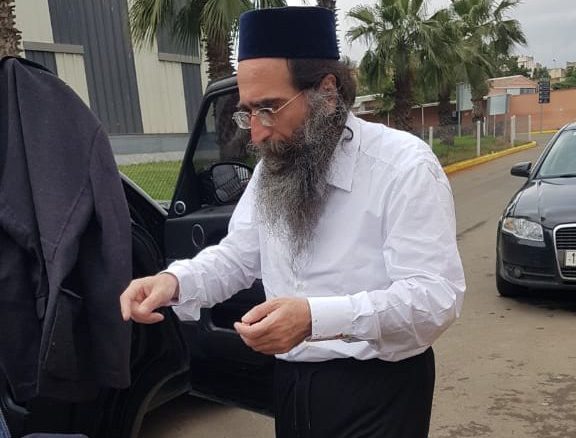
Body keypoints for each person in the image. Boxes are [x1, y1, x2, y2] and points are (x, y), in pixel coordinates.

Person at [120, 6, 465, 438]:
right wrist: (172, 282)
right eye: (248, 112)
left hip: (377, 391)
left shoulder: (403, 167)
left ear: (326, 91)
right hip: (290, 386)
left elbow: (433, 299)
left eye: (269, 108)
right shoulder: (274, 167)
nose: (256, 133)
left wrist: (315, 318)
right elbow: (238, 256)